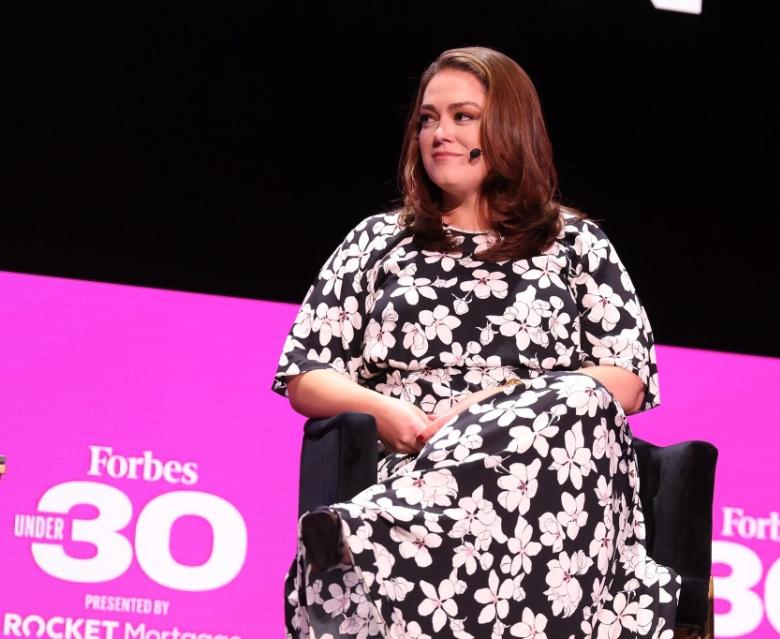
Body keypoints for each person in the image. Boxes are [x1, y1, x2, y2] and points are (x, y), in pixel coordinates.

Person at [273, 46, 680, 639]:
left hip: (548, 488)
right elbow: (306, 373)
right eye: (427, 119)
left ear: (509, 128)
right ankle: (386, 528)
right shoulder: (377, 241)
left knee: (582, 397)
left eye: (462, 116)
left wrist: (496, 411)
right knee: (552, 410)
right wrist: (389, 412)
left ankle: (369, 536)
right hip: (416, 459)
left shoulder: (576, 243)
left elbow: (627, 379)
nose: (439, 133)